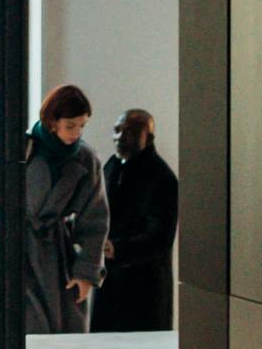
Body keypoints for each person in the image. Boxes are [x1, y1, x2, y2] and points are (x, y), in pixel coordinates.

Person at [24, 85, 107, 333]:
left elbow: (96, 220)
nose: (77, 133)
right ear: (52, 122)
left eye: (82, 126)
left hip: (56, 254)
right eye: (70, 125)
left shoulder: (85, 159)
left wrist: (86, 274)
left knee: (65, 329)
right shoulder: (21, 151)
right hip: (17, 250)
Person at [91, 109, 178, 331]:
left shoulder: (162, 178)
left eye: (129, 131)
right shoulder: (111, 167)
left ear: (147, 138)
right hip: (109, 283)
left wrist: (116, 248)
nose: (120, 137)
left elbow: (159, 239)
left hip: (143, 292)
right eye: (117, 130)